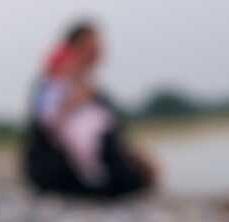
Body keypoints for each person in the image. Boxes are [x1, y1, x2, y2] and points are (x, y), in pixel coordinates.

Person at [22, 21, 158, 198]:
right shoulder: (52, 84)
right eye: (93, 44)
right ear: (75, 48)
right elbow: (50, 125)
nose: (100, 49)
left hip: (81, 167)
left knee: (135, 173)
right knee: (129, 179)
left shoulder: (90, 87)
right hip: (58, 169)